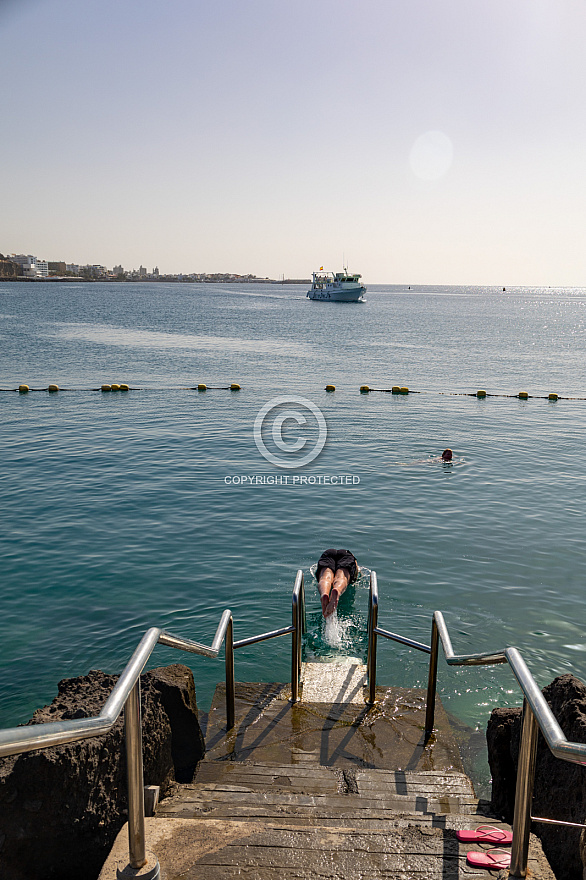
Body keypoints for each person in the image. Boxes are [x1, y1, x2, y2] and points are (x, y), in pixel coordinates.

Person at [316, 548, 359, 618]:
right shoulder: (350, 556)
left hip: (328, 553)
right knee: (341, 577)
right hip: (346, 555)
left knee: (325, 577)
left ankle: (324, 594)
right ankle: (337, 591)